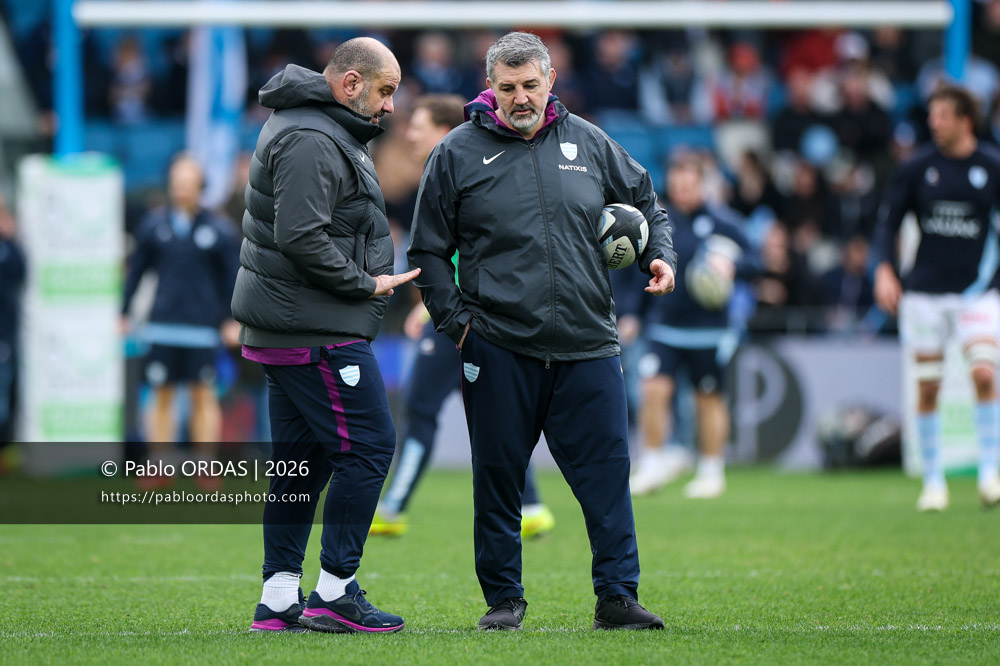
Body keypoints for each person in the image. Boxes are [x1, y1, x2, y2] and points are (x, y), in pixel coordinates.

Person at [408, 31, 676, 631]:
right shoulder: (455, 152)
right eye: (507, 88)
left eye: (531, 85)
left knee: (607, 479)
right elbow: (426, 250)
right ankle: (504, 601)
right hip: (499, 346)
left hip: (589, 345)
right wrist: (459, 329)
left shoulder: (589, 141)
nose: (520, 98)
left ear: (550, 81)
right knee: (498, 480)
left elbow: (646, 202)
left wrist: (659, 253)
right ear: (490, 87)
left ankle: (617, 597)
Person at [230, 37, 419, 634]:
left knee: (298, 465)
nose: (390, 107)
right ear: (351, 83)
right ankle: (335, 592)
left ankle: (280, 596)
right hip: (315, 326)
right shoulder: (314, 137)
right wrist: (366, 283)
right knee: (368, 448)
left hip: (294, 323)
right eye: (385, 91)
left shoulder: (313, 126)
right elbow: (302, 237)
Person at [370, 94, 555, 539]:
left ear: (444, 129)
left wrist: (435, 305)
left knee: (420, 407)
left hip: (459, 315)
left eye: (418, 125)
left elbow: (457, 246)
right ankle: (530, 506)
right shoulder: (475, 170)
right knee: (496, 413)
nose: (409, 134)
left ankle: (393, 508)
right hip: (483, 311)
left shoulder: (452, 171)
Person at [873, 84, 1000, 511]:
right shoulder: (916, 168)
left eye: (943, 114)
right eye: (932, 114)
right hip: (924, 293)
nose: (934, 122)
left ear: (965, 120)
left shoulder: (992, 166)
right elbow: (888, 224)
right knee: (928, 389)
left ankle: (989, 473)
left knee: (984, 375)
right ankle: (933, 481)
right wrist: (885, 269)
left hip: (977, 293)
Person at [627, 157, 760, 499]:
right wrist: (632, 314)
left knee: (708, 399)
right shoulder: (659, 222)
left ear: (703, 184)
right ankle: (652, 465)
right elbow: (638, 270)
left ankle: (711, 471)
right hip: (665, 327)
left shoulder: (723, 223)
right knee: (653, 391)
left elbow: (757, 261)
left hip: (709, 331)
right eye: (678, 184)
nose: (684, 191)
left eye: (690, 184)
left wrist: (732, 264)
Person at [121, 154, 241, 489]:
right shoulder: (153, 226)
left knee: (204, 396)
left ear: (199, 185)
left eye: (188, 181)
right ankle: (160, 464)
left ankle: (206, 465)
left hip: (203, 329)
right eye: (177, 181)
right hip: (162, 326)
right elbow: (137, 273)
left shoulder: (219, 230)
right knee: (159, 396)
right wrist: (123, 312)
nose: (182, 187)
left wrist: (232, 319)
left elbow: (232, 279)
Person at [0, 193, 26, 456]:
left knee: (4, 399)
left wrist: (11, 236)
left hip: (4, 333)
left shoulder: (7, 247)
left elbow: (21, 273)